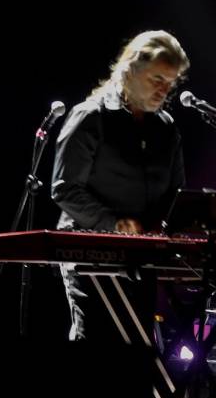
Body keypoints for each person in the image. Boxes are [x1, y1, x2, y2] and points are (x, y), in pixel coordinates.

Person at [51, 30, 190, 342]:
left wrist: (177, 224)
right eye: (157, 79)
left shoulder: (166, 128)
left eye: (170, 82)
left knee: (138, 346)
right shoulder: (90, 116)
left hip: (141, 256)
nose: (164, 89)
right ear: (131, 69)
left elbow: (176, 192)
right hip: (90, 253)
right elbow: (64, 188)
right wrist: (113, 224)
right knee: (98, 345)